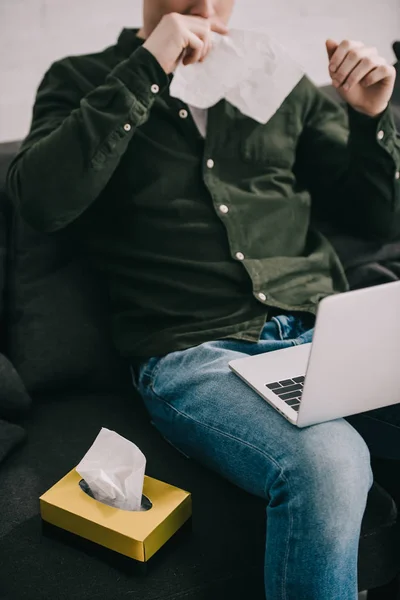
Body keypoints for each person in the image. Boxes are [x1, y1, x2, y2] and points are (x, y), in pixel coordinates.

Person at [6, 1, 400, 598]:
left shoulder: (278, 79)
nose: (208, 5)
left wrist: (371, 118)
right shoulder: (81, 78)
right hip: (198, 351)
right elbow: (41, 202)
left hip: (326, 332)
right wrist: (147, 64)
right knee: (330, 463)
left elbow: (373, 218)